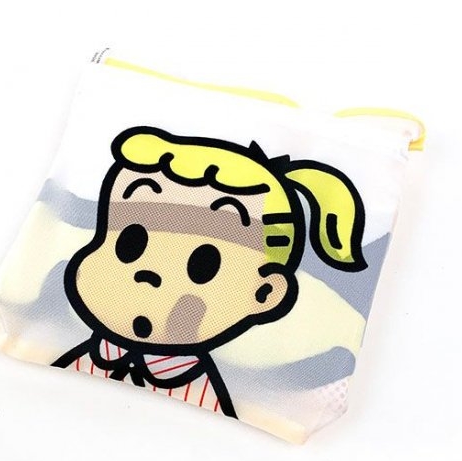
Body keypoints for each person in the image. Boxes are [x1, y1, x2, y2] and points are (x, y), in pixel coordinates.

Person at [52, 126, 366, 418]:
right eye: (130, 244)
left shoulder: (218, 395)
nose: (148, 273)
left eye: (203, 266)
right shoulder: (71, 347)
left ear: (265, 292)